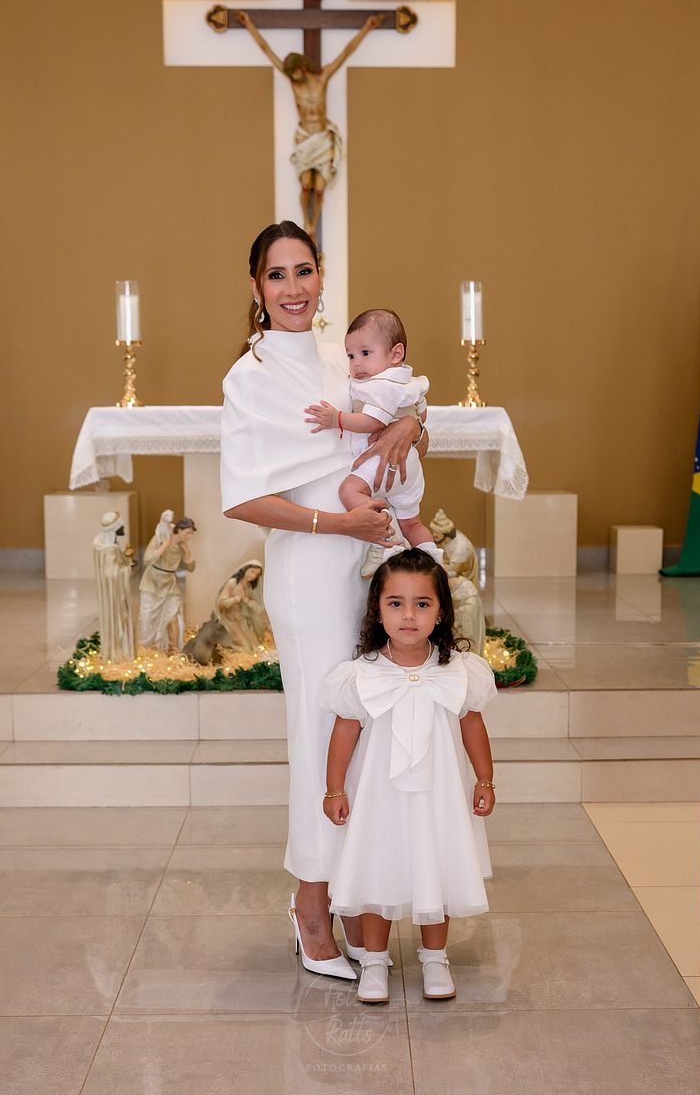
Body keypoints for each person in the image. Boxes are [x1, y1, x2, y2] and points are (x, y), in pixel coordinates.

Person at [221, 220, 428, 978]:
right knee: (319, 735)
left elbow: (395, 423)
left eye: (303, 271)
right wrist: (338, 523)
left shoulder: (345, 357)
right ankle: (310, 904)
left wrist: (412, 422)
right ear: (256, 287)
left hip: (369, 567)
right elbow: (243, 498)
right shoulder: (249, 378)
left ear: (321, 276)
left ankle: (352, 891)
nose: (293, 288)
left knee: (365, 733)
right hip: (310, 569)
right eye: (277, 275)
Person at [321, 548, 497, 1004]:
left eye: (422, 604)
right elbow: (345, 731)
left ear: (441, 612)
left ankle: (435, 958)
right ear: (377, 609)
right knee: (378, 867)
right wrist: (335, 788)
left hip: (439, 794)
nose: (408, 616)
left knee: (436, 865)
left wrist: (484, 780)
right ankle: (374, 960)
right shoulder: (360, 675)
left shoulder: (459, 671)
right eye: (395, 603)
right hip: (379, 797)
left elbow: (472, 725)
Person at [305, 308, 443, 577]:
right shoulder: (409, 382)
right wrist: (408, 421)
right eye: (351, 356)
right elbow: (422, 415)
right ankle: (433, 560)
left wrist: (336, 419)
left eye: (365, 353)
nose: (356, 363)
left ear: (395, 353)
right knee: (413, 523)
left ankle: (386, 542)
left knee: (349, 492)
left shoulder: (380, 385)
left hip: (383, 461)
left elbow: (373, 422)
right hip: (410, 467)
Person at [234, 11, 384, 240]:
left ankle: (313, 222)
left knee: (320, 188)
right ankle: (308, 223)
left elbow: (346, 52)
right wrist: (248, 24)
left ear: (302, 67)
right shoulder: (294, 83)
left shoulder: (322, 77)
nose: (293, 77)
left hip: (322, 137)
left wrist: (367, 27)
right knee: (305, 186)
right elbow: (267, 50)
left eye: (295, 72)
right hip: (305, 137)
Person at [137, 515, 196, 653]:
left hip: (170, 584)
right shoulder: (160, 538)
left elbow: (191, 568)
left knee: (173, 617)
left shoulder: (182, 546)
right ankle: (148, 649)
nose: (189, 537)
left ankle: (174, 650)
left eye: (191, 534)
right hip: (152, 583)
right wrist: (164, 546)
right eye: (187, 533)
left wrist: (187, 552)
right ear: (179, 530)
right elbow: (147, 559)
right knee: (147, 618)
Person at [92, 511, 135, 662]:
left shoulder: (103, 544)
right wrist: (127, 569)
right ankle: (118, 651)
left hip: (110, 593)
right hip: (114, 596)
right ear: (114, 528)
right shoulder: (110, 549)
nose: (123, 528)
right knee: (117, 620)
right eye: (121, 526)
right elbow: (111, 574)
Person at [214, 560, 270, 652]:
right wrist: (236, 599)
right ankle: (226, 650)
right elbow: (221, 603)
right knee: (245, 647)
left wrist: (246, 600)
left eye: (256, 575)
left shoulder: (248, 587)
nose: (253, 576)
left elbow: (258, 608)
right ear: (245, 569)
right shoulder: (232, 583)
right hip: (230, 619)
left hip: (243, 620)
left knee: (256, 646)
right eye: (252, 571)